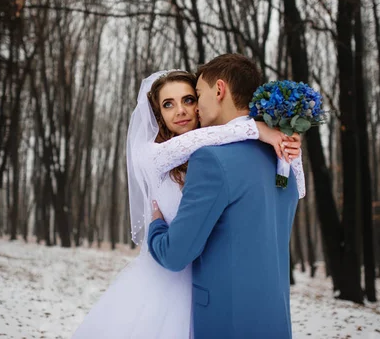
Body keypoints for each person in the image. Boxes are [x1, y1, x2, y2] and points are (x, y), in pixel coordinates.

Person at [72, 67, 305, 338]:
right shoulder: (150, 155)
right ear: (158, 114)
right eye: (168, 104)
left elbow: (295, 189)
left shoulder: (216, 155)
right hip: (166, 284)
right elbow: (203, 140)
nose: (180, 111)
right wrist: (255, 128)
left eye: (189, 99)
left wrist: (288, 145)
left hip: (208, 287)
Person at [148, 54, 301, 338]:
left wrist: (156, 226)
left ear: (219, 90)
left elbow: (174, 254)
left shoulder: (211, 160)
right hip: (275, 323)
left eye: (198, 95)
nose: (196, 108)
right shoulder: (286, 161)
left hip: (226, 322)